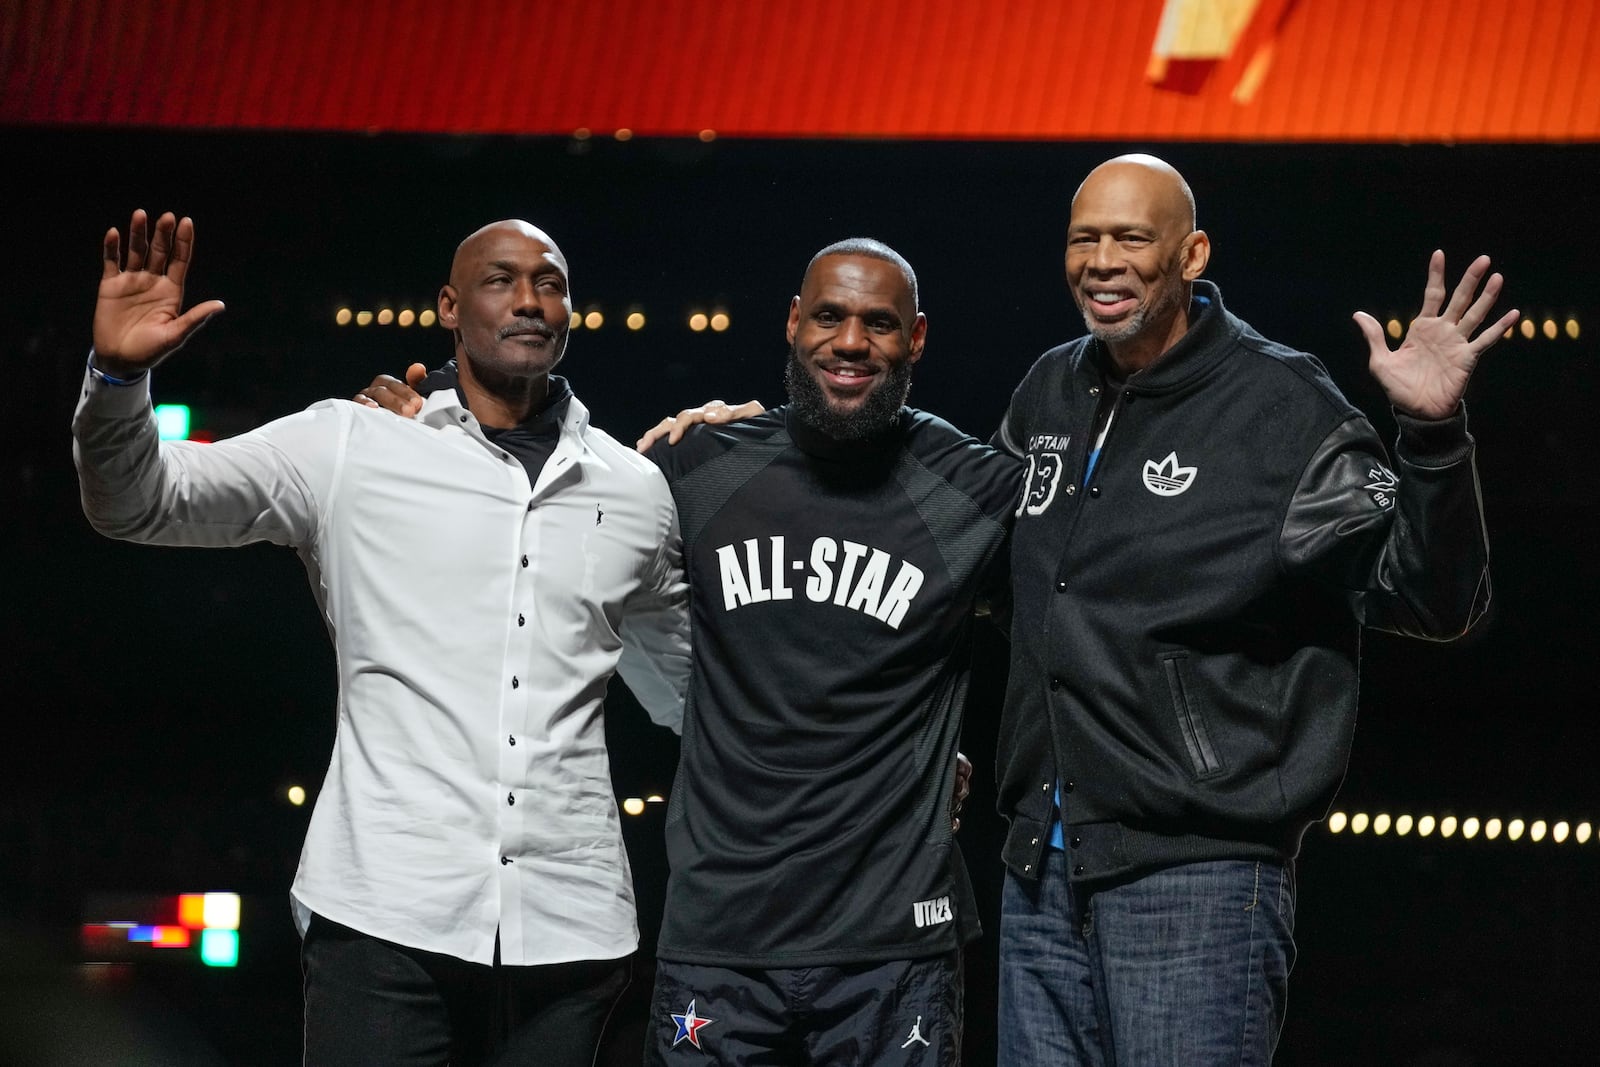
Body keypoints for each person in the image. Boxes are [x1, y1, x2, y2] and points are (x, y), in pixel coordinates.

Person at [366, 238, 1022, 1064]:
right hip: (719, 940)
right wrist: (422, 432)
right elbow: (539, 506)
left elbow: (1080, 616)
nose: (850, 342)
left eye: (878, 323)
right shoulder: (692, 467)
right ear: (792, 322)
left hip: (895, 945)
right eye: (828, 316)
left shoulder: (974, 488)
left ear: (916, 338)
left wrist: (968, 758)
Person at [73, 211, 691, 1066]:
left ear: (572, 311)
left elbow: (698, 696)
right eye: (500, 279)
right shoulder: (352, 445)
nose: (528, 300)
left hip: (571, 932)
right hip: (381, 917)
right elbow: (138, 501)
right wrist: (116, 378)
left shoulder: (635, 490)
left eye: (549, 283)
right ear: (448, 304)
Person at [991, 154, 1516, 1065]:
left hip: (1197, 877)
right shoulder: (1050, 388)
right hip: (1041, 869)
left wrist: (1433, 437)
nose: (1103, 260)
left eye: (1131, 237)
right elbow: (957, 534)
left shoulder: (1279, 405)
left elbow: (1432, 600)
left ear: (1192, 253)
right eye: (1085, 238)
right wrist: (778, 437)